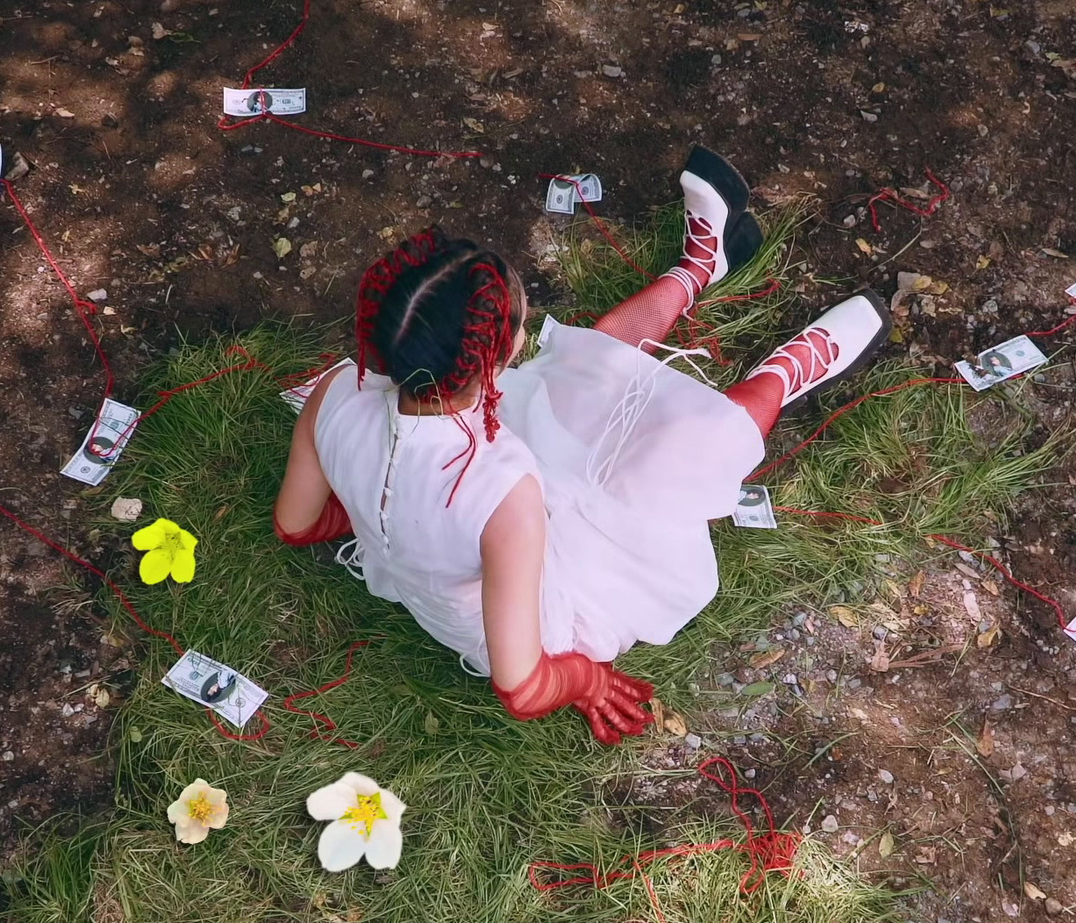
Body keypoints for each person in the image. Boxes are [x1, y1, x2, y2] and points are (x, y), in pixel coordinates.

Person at [274, 147, 890, 745]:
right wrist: (586, 679)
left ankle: (701, 266)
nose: (523, 328)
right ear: (490, 363)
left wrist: (390, 523)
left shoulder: (336, 391)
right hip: (532, 597)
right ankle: (789, 371)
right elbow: (521, 684)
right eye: (518, 323)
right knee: (684, 446)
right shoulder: (501, 494)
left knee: (579, 379)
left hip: (467, 518)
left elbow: (297, 524)